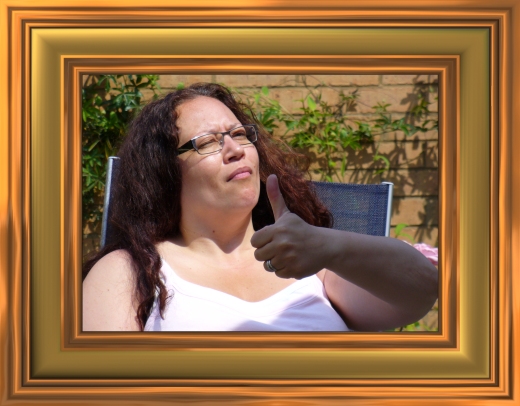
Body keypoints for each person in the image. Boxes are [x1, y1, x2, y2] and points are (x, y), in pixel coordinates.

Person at [82, 82, 438, 332]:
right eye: (207, 142)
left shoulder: (312, 264)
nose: (235, 149)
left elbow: (422, 290)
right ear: (164, 172)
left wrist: (329, 246)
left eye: (239, 134)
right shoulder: (131, 272)